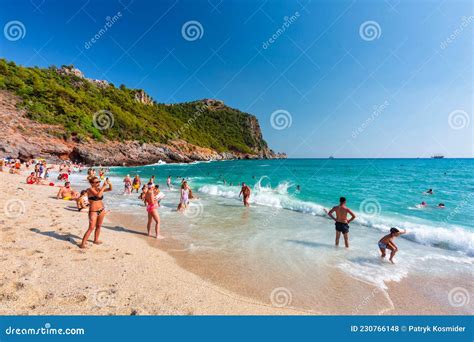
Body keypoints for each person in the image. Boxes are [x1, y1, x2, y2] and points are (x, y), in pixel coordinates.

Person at [80, 177, 113, 248]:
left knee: (98, 226)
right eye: (96, 182)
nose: (98, 183)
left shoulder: (99, 189)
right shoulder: (89, 189)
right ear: (92, 183)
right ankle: (82, 243)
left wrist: (109, 184)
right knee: (91, 227)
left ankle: (95, 240)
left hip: (101, 210)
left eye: (99, 181)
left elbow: (110, 189)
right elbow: (98, 195)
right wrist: (104, 186)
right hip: (93, 211)